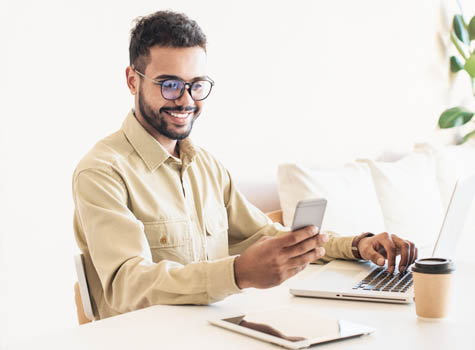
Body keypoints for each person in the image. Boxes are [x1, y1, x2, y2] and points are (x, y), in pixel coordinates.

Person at [72, 10, 417, 320]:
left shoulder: (207, 167)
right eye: (170, 85)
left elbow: (265, 235)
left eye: (196, 85)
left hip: (212, 330)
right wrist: (238, 274)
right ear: (133, 80)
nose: (186, 100)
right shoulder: (102, 172)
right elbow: (127, 285)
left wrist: (358, 245)